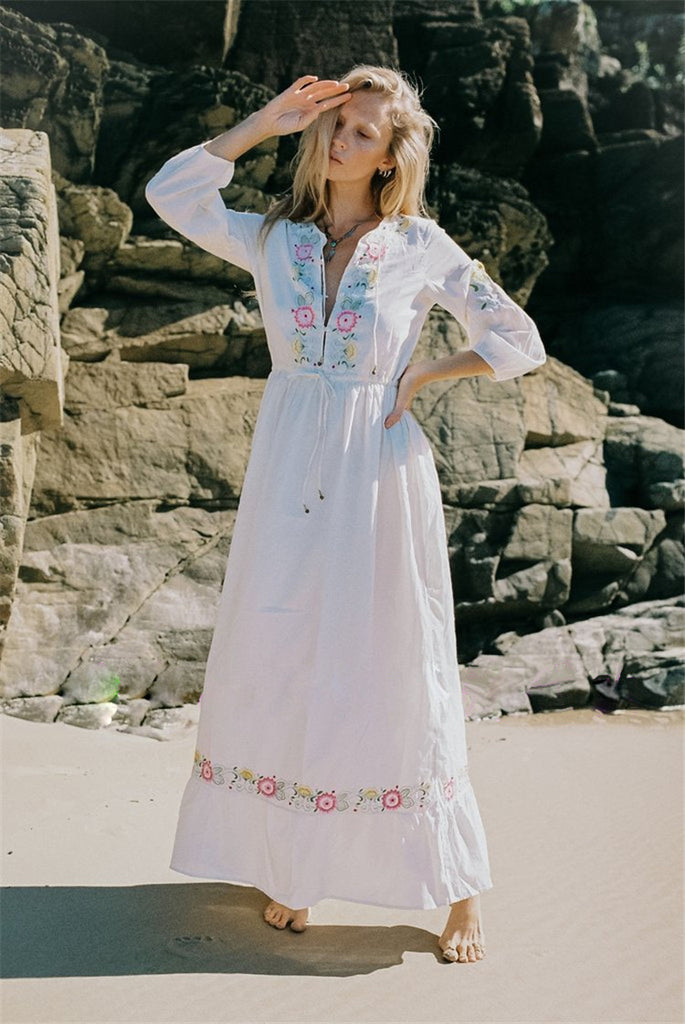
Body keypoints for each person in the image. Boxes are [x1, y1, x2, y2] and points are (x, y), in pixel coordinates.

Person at [145, 64, 546, 965]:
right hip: (288, 470)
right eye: (334, 124)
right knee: (286, 656)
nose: (338, 139)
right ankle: (296, 864)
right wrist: (267, 120)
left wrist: (425, 372)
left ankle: (459, 889)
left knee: (394, 662)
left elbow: (517, 340)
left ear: (390, 155)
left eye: (362, 131)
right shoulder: (273, 237)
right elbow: (172, 193)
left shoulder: (419, 245)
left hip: (377, 471)